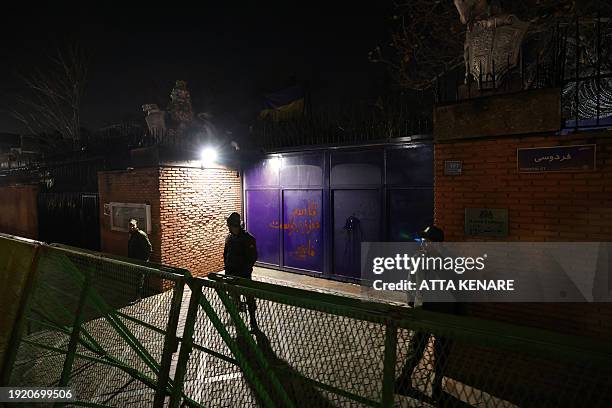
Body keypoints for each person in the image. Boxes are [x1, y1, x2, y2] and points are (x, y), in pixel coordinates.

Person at [395, 225, 455, 403]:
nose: (424, 243)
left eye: (427, 240)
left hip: (445, 311)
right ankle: (405, 379)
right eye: (424, 240)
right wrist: (412, 303)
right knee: (417, 346)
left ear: (436, 243)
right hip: (425, 310)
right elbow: (410, 281)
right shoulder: (418, 257)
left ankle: (436, 385)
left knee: (441, 350)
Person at [223, 212, 258, 328]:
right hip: (232, 275)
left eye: (230, 226)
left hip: (244, 276)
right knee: (234, 298)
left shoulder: (248, 239)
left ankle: (253, 320)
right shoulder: (230, 238)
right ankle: (237, 320)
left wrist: (245, 271)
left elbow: (252, 257)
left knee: (249, 298)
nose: (228, 228)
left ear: (235, 225)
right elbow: (226, 254)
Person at [127, 219, 152, 303]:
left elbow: (149, 248)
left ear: (136, 225)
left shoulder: (141, 234)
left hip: (140, 261)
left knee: (139, 279)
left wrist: (144, 260)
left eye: (133, 225)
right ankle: (139, 295)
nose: (131, 227)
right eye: (130, 225)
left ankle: (138, 297)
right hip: (134, 260)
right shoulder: (132, 234)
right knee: (137, 278)